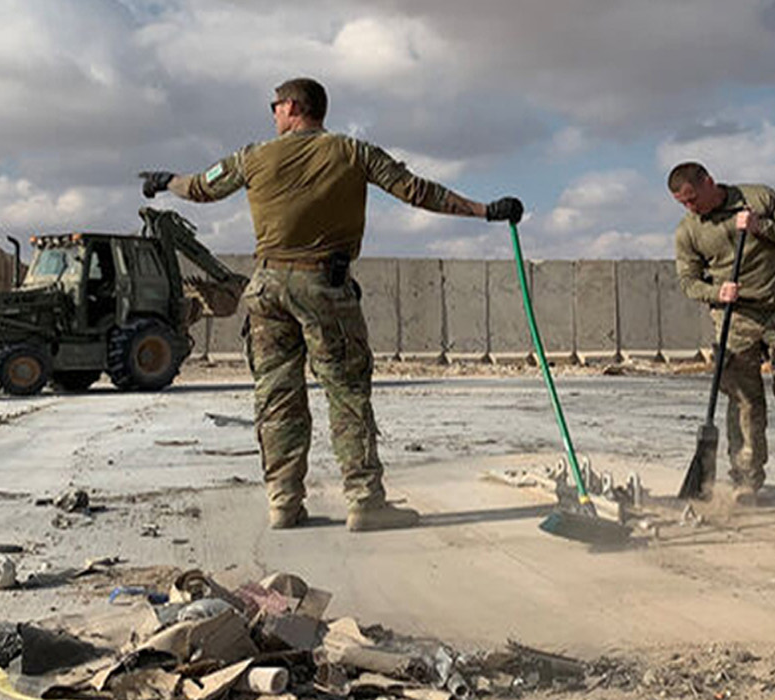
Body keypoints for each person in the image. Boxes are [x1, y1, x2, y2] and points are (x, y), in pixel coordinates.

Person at [140, 77, 523, 532]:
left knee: (277, 397)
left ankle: (283, 502)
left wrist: (166, 182)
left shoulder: (252, 157)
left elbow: (201, 186)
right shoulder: (354, 153)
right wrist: (486, 211)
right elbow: (417, 191)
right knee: (346, 393)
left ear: (293, 107)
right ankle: (364, 502)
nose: (272, 114)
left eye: (275, 106)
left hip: (266, 291)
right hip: (323, 287)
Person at [668, 161, 775, 503]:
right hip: (735, 318)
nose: (691, 208)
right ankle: (745, 481)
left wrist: (762, 227)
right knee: (743, 403)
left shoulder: (758, 198)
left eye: (693, 199)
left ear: (709, 182)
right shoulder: (689, 231)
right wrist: (716, 292)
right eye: (683, 204)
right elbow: (688, 281)